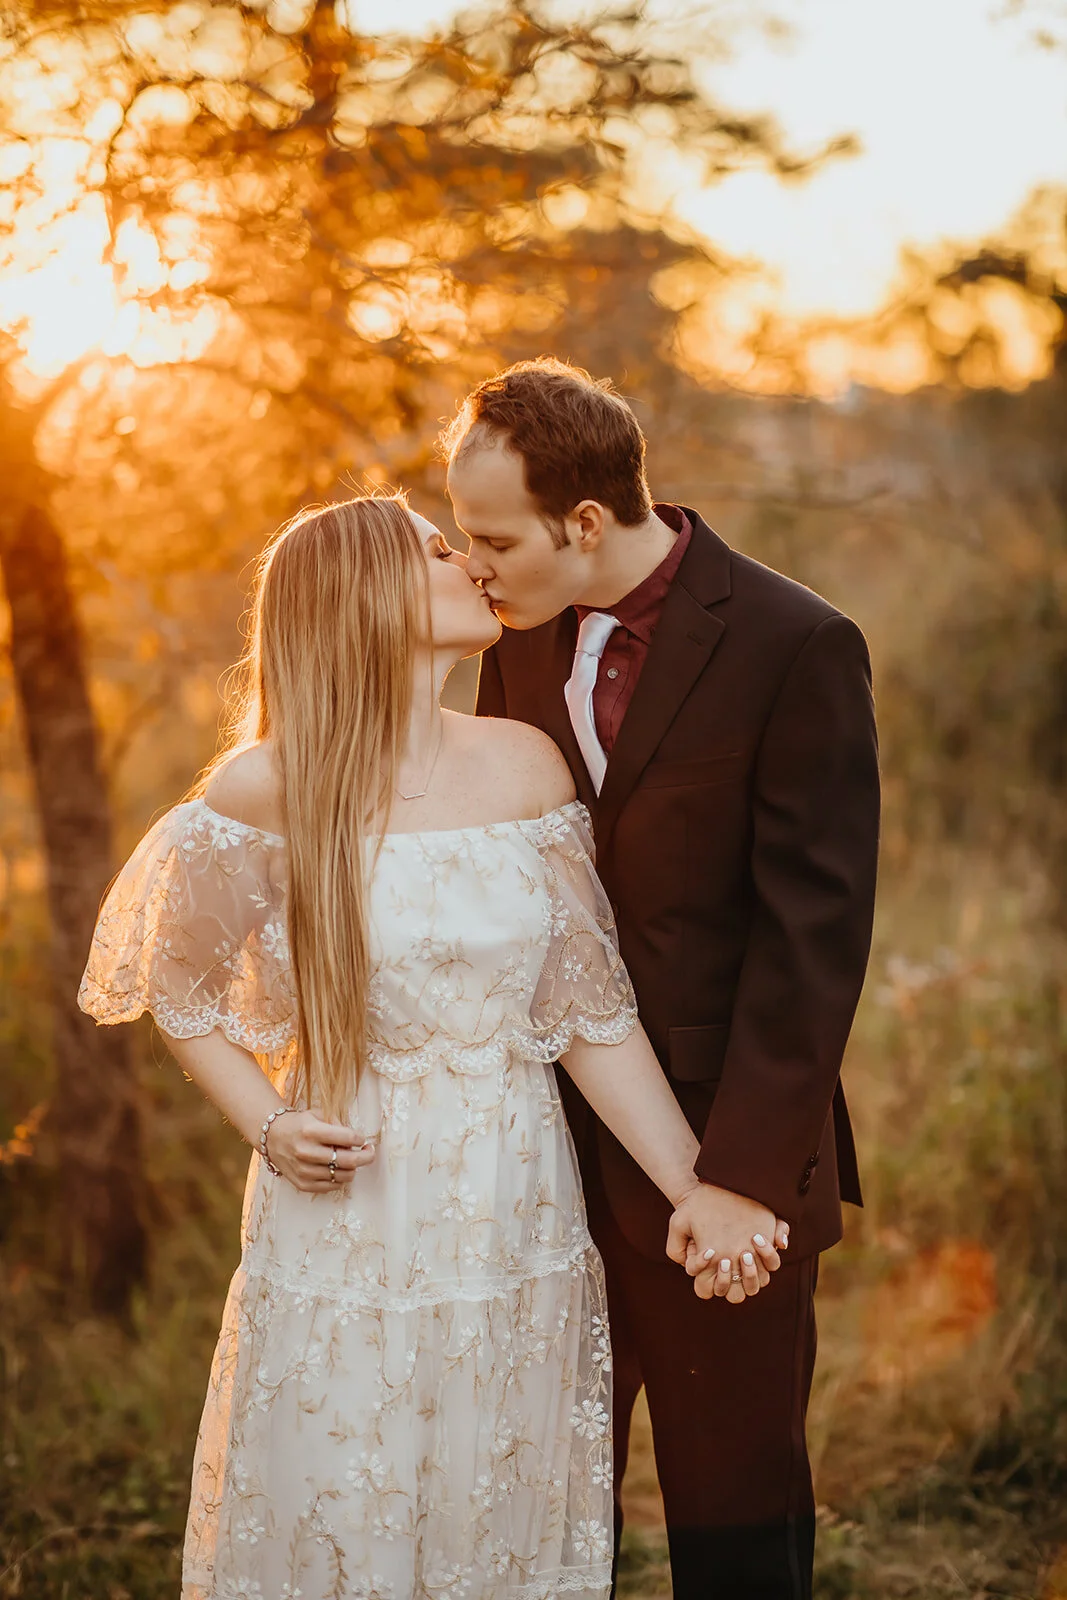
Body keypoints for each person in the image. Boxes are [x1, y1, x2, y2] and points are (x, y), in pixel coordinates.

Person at [78, 495, 785, 1600]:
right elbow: (177, 993)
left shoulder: (527, 766)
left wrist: (696, 1188)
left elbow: (589, 1016)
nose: (470, 562)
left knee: (493, 1497)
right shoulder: (265, 787)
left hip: (514, 1204)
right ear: (368, 594)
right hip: (349, 1208)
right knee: (348, 1492)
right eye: (437, 549)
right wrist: (266, 1124)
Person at [443, 358, 881, 1600]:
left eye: (491, 539)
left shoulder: (797, 643)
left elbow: (815, 937)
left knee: (734, 1515)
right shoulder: (516, 640)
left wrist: (738, 1179)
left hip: (721, 1167)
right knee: (533, 1500)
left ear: (582, 524)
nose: (471, 567)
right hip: (531, 1161)